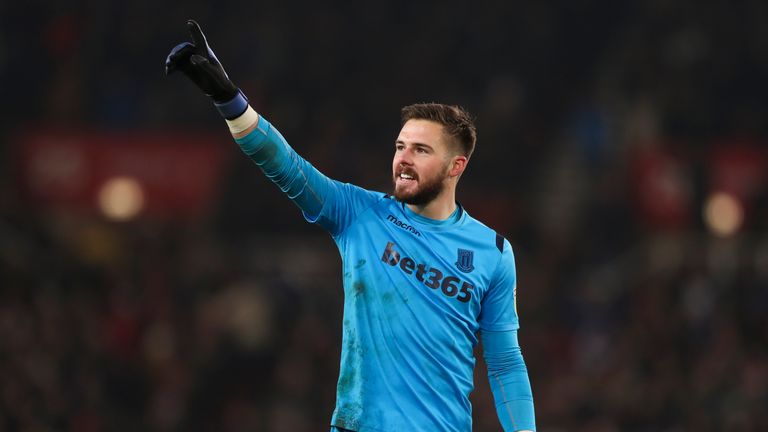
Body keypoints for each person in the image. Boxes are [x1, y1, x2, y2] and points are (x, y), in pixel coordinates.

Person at [166, 20, 536, 432]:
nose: (403, 158)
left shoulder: (493, 252)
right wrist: (229, 100)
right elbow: (286, 167)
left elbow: (505, 363)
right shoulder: (361, 214)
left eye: (420, 150)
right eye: (400, 147)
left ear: (456, 166)